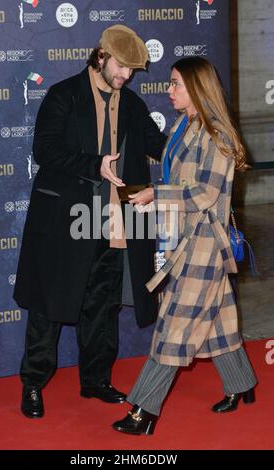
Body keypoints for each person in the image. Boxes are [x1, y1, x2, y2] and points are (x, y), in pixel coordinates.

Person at [14, 24, 167, 419]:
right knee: (49, 304)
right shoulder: (64, 95)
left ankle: (95, 380)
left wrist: (199, 136)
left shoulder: (131, 104)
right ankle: (33, 383)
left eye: (132, 70)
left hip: (116, 220)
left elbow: (159, 145)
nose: (126, 76)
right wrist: (94, 166)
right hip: (67, 217)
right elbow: (44, 150)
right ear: (100, 56)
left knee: (103, 303)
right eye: (121, 67)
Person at [112, 57, 257, 435]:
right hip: (183, 238)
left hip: (204, 244)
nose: (170, 90)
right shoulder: (184, 124)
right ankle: (243, 384)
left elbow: (207, 193)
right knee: (220, 322)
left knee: (172, 328)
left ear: (197, 87)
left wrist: (154, 194)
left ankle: (143, 411)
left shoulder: (216, 135)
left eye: (176, 83)